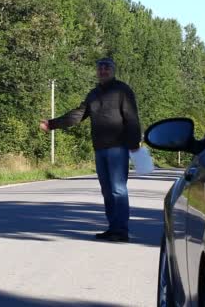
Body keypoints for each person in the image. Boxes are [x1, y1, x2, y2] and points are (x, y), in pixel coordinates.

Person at [40, 58, 141, 242]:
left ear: (113, 70)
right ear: (97, 71)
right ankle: (113, 227)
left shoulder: (122, 90)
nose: (103, 70)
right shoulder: (93, 94)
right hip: (100, 148)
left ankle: (121, 230)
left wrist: (134, 144)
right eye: (100, 67)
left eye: (107, 67)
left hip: (118, 148)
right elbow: (77, 115)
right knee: (106, 189)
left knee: (118, 189)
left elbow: (132, 118)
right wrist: (52, 124)